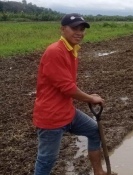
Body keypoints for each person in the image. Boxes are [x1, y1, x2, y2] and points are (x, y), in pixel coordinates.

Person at [33, 13, 108, 175]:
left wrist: (88, 95)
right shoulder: (55, 51)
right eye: (74, 28)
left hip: (67, 112)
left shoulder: (71, 50)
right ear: (62, 29)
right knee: (47, 159)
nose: (79, 32)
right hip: (51, 116)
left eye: (82, 29)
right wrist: (91, 98)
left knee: (95, 131)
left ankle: (98, 172)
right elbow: (67, 88)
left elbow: (67, 84)